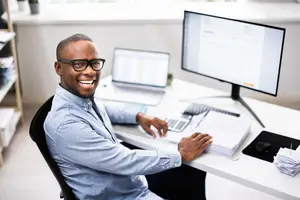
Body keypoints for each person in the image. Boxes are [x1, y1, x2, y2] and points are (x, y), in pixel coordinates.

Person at [44, 33, 213, 200]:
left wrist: (139, 117)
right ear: (59, 68)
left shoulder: (79, 99)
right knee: (181, 163)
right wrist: (180, 154)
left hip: (125, 183)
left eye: (94, 63)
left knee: (192, 170)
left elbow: (103, 108)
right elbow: (124, 160)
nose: (89, 71)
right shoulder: (66, 124)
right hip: (120, 195)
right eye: (79, 64)